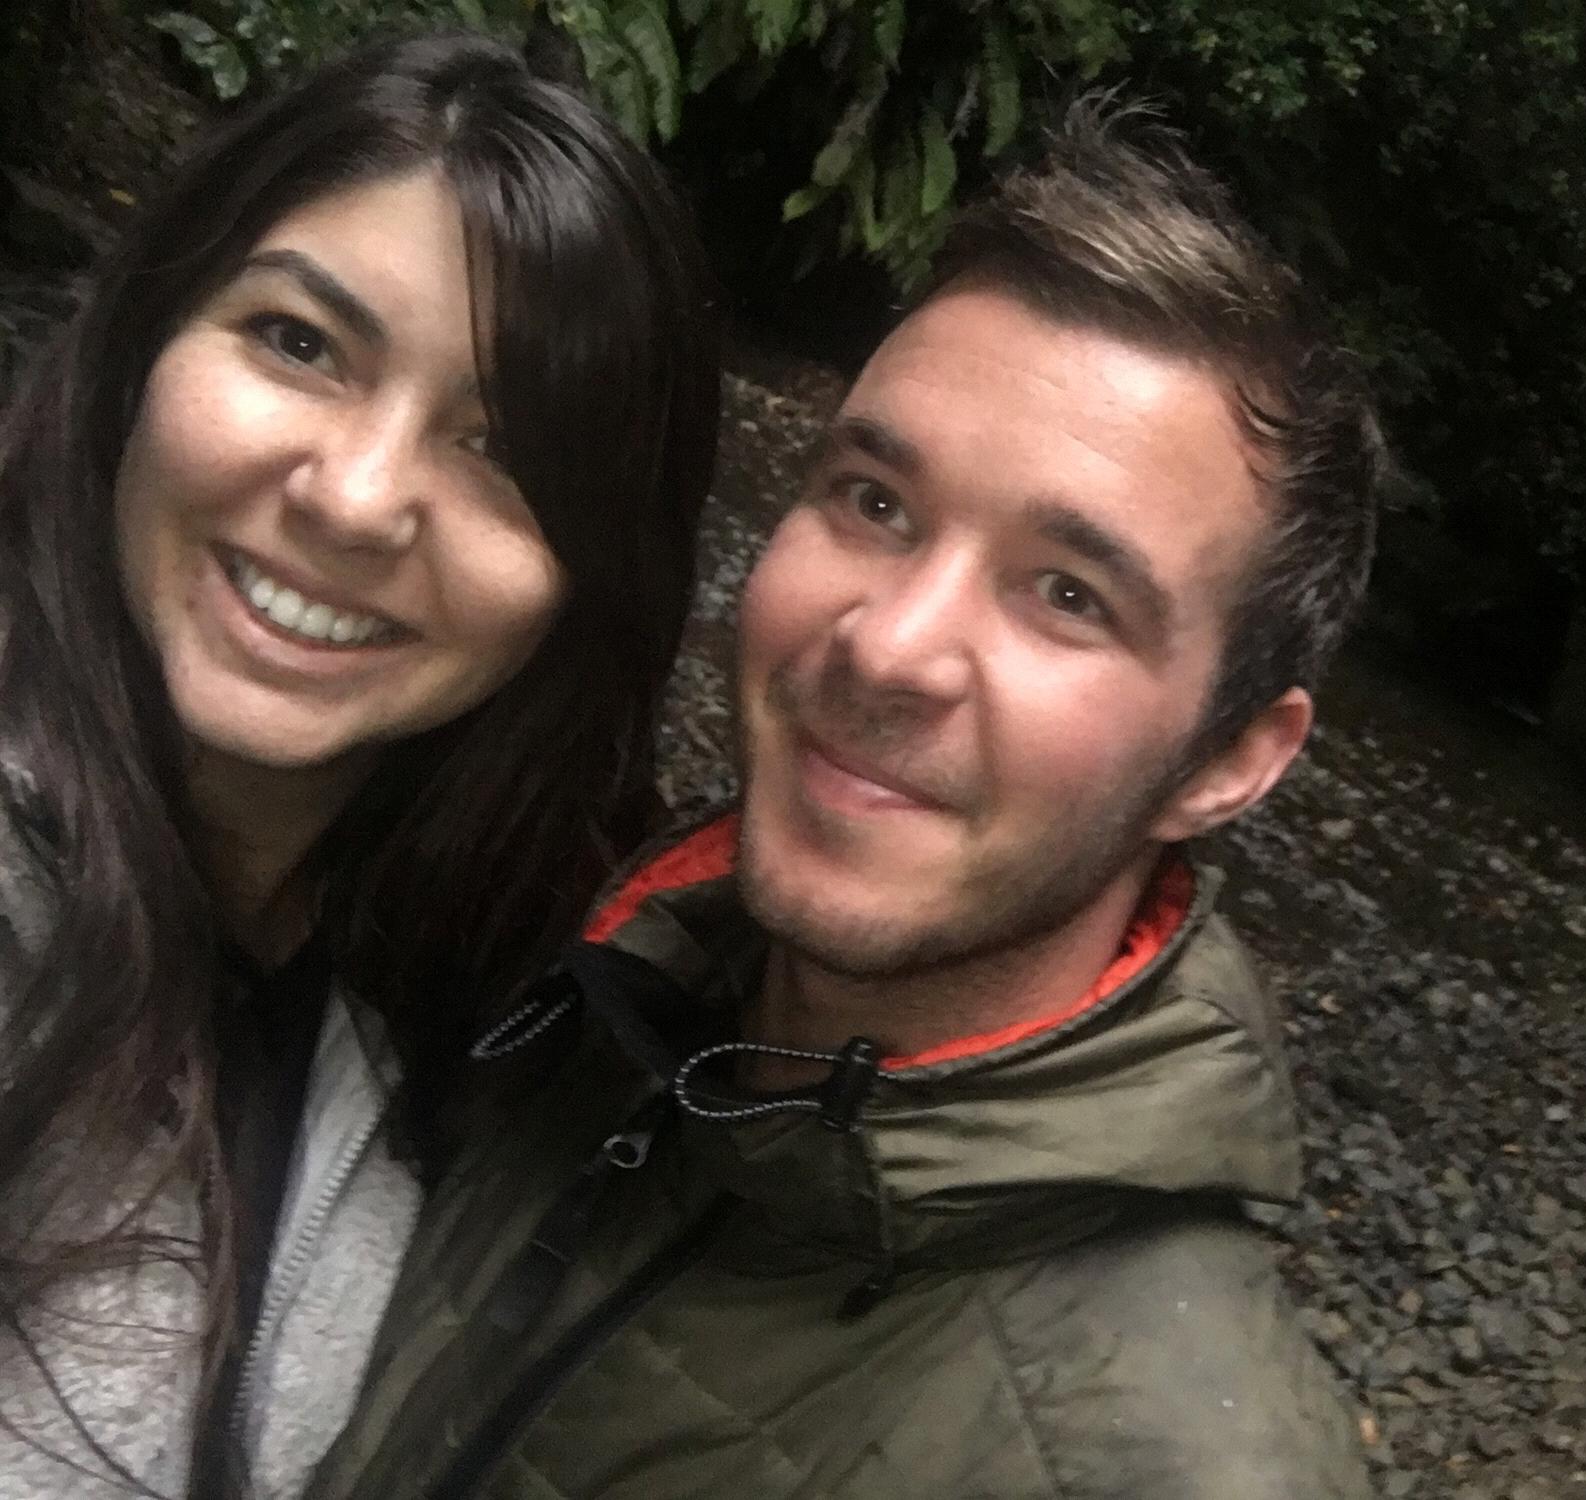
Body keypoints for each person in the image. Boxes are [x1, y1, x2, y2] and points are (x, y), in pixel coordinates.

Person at [310, 99, 1376, 1500]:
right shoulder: (596, 988)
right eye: (875, 502)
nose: (888, 644)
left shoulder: (1166, 1466)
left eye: (1068, 595)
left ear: (1230, 758)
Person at [0, 32, 718, 1500]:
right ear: (143, 335)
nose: (359, 496)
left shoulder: (475, 995)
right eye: (298, 343)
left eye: (502, 447)